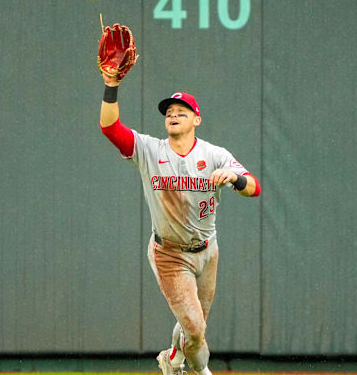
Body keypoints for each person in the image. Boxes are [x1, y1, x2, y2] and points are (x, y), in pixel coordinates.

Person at [99, 71, 261, 375]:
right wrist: (111, 85)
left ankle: (173, 357)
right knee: (196, 330)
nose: (173, 116)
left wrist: (236, 178)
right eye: (169, 113)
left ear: (196, 119)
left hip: (207, 251)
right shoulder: (149, 150)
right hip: (170, 254)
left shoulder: (214, 155)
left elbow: (255, 187)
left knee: (194, 323)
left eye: (181, 112)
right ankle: (200, 372)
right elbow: (110, 128)